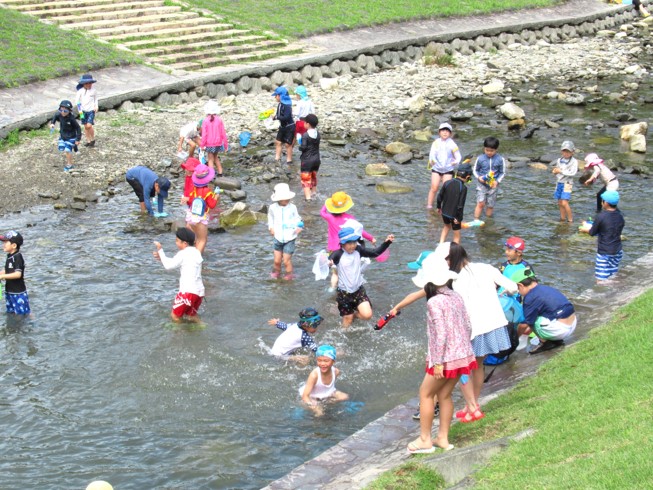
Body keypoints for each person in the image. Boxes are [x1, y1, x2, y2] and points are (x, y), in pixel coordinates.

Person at [406, 260, 476, 454]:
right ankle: (443, 438)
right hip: (462, 355)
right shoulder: (456, 296)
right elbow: (468, 325)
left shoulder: (434, 301)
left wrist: (437, 362)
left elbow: (441, 333)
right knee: (444, 395)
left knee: (426, 394)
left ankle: (425, 439)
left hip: (444, 358)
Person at [447, 242, 517, 422]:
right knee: (478, 365)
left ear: (451, 260)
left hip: (473, 328)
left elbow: (461, 308)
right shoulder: (486, 268)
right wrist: (497, 292)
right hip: (494, 324)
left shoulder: (455, 280)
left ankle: (472, 407)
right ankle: (472, 406)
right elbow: (513, 287)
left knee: (463, 367)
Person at [329, 223, 394, 327]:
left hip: (358, 290)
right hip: (344, 294)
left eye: (354, 242)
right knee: (347, 322)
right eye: (349, 243)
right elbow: (327, 263)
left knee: (367, 315)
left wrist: (387, 243)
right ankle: (343, 333)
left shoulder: (358, 250)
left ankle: (353, 315)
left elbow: (375, 253)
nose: (353, 245)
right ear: (342, 243)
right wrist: (328, 263)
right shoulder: (337, 254)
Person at [511, 268, 576, 354]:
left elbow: (524, 325)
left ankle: (546, 343)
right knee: (536, 315)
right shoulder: (546, 288)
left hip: (560, 330)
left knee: (530, 320)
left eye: (517, 289)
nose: (518, 292)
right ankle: (555, 340)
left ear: (520, 285)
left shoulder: (530, 297)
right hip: (573, 323)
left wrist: (515, 338)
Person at [320, 191, 376, 290]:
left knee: (335, 272)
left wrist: (327, 202)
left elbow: (322, 212)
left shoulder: (330, 217)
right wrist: (371, 238)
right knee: (346, 270)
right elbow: (360, 231)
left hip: (333, 249)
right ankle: (347, 286)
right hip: (346, 248)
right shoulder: (350, 218)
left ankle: (332, 287)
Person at [153, 228, 204, 323]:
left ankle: (179, 335)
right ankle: (202, 327)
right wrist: (162, 258)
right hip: (199, 292)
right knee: (191, 315)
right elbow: (175, 262)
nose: (175, 243)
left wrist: (160, 250)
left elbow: (168, 266)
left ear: (184, 243)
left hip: (187, 292)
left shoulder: (183, 253)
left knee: (175, 316)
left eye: (177, 240)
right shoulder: (196, 252)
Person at [582, 190, 625, 283]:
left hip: (605, 252)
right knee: (612, 275)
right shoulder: (620, 216)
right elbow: (610, 230)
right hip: (617, 251)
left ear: (605, 203)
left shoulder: (601, 216)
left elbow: (592, 232)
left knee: (601, 279)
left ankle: (602, 297)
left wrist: (586, 228)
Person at [299, 345, 348, 416]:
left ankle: (327, 402)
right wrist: (313, 406)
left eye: (326, 361)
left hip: (326, 394)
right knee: (320, 413)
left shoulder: (336, 371)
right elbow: (305, 396)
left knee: (344, 397)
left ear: (333, 361)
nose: (322, 364)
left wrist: (330, 396)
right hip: (312, 397)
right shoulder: (314, 375)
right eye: (319, 360)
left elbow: (328, 387)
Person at [182, 163, 219, 255]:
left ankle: (192, 255)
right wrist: (216, 196)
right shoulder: (207, 192)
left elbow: (190, 200)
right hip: (200, 218)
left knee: (197, 239)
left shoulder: (194, 189)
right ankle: (197, 261)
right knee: (202, 240)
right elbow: (212, 205)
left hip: (191, 216)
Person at [268, 183, 303, 280]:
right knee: (277, 261)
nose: (287, 200)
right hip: (277, 237)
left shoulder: (292, 207)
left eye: (288, 198)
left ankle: (289, 275)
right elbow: (270, 218)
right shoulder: (272, 208)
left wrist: (299, 226)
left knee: (286, 261)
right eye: (284, 198)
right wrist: (271, 227)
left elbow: (298, 219)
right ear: (278, 198)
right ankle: (277, 273)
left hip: (290, 238)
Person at [427, 122, 462, 210]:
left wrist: (456, 161)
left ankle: (443, 207)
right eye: (443, 130)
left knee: (446, 190)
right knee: (434, 187)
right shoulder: (436, 143)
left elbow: (458, 156)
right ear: (439, 132)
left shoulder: (452, 144)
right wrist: (433, 160)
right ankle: (429, 205)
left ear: (450, 133)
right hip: (436, 168)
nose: (445, 132)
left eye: (447, 131)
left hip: (448, 169)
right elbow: (432, 154)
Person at [436, 163, 472, 244]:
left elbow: (439, 196)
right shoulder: (463, 188)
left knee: (446, 226)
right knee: (456, 235)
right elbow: (460, 205)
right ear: (467, 177)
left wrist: (438, 207)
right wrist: (459, 218)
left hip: (444, 213)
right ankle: (455, 252)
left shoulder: (447, 182)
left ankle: (440, 244)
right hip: (454, 215)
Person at [472, 136, 505, 219]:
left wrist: (497, 181)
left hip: (493, 186)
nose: (489, 152)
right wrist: (479, 177)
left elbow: (502, 172)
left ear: (496, 149)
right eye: (487, 150)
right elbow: (475, 170)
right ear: (484, 149)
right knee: (480, 203)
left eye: (492, 151)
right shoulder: (480, 158)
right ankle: (476, 220)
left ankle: (488, 221)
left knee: (490, 205)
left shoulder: (500, 159)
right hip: (481, 185)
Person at [0, 231, 30, 315]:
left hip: (18, 293)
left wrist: (2, 277)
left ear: (14, 245)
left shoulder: (18, 257)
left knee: (23, 315)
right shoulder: (9, 256)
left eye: (6, 242)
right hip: (9, 291)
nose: (3, 244)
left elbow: (18, 274)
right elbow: (9, 270)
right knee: (11, 313)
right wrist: (1, 273)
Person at [49, 100, 82, 171]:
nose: (63, 112)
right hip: (63, 135)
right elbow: (54, 116)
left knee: (67, 150)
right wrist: (52, 123)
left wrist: (78, 139)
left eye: (65, 111)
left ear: (69, 111)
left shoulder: (71, 119)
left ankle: (69, 164)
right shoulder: (59, 114)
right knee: (61, 148)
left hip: (71, 137)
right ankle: (74, 147)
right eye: (61, 110)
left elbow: (78, 128)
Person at [552, 140, 578, 223]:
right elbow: (557, 170)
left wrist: (560, 171)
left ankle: (570, 220)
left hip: (567, 184)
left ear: (572, 152)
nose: (566, 153)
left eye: (568, 151)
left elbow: (573, 173)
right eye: (564, 151)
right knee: (559, 202)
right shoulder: (559, 160)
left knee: (564, 202)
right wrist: (555, 171)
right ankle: (562, 218)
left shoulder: (574, 161)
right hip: (559, 183)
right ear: (561, 151)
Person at [200, 100, 228, 177]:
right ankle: (220, 172)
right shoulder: (219, 120)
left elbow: (204, 134)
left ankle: (211, 175)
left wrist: (202, 145)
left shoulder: (205, 120)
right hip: (218, 143)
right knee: (215, 157)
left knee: (210, 159)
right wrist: (225, 145)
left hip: (209, 144)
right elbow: (223, 133)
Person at [299, 114, 321, 201]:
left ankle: (308, 199)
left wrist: (300, 145)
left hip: (307, 161)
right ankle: (314, 194)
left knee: (305, 180)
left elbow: (303, 148)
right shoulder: (318, 134)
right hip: (316, 160)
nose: (304, 124)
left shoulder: (305, 135)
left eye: (304, 122)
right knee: (313, 177)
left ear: (308, 124)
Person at [272, 87, 296, 164]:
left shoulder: (287, 106)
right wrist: (274, 117)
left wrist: (276, 117)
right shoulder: (280, 104)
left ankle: (289, 160)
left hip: (289, 127)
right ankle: (277, 158)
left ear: (280, 96)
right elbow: (278, 114)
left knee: (288, 144)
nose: (275, 97)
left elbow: (286, 117)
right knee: (278, 142)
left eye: (276, 95)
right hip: (282, 127)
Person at [75, 74, 99, 147]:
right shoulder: (80, 91)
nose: (89, 85)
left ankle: (92, 138)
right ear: (83, 84)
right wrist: (80, 111)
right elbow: (77, 102)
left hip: (91, 110)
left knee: (89, 125)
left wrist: (96, 106)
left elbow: (96, 99)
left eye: (90, 83)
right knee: (86, 126)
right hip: (82, 111)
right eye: (86, 83)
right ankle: (89, 140)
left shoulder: (94, 91)